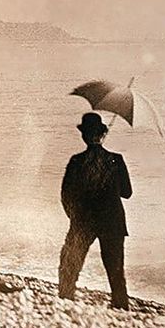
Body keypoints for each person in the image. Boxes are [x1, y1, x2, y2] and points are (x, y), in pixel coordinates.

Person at [58, 112, 132, 309]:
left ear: (84, 135)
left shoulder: (76, 161)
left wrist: (74, 218)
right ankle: (120, 306)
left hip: (84, 221)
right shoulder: (116, 160)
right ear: (102, 134)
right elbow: (127, 192)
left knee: (70, 263)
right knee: (116, 270)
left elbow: (66, 195)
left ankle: (66, 298)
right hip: (112, 222)